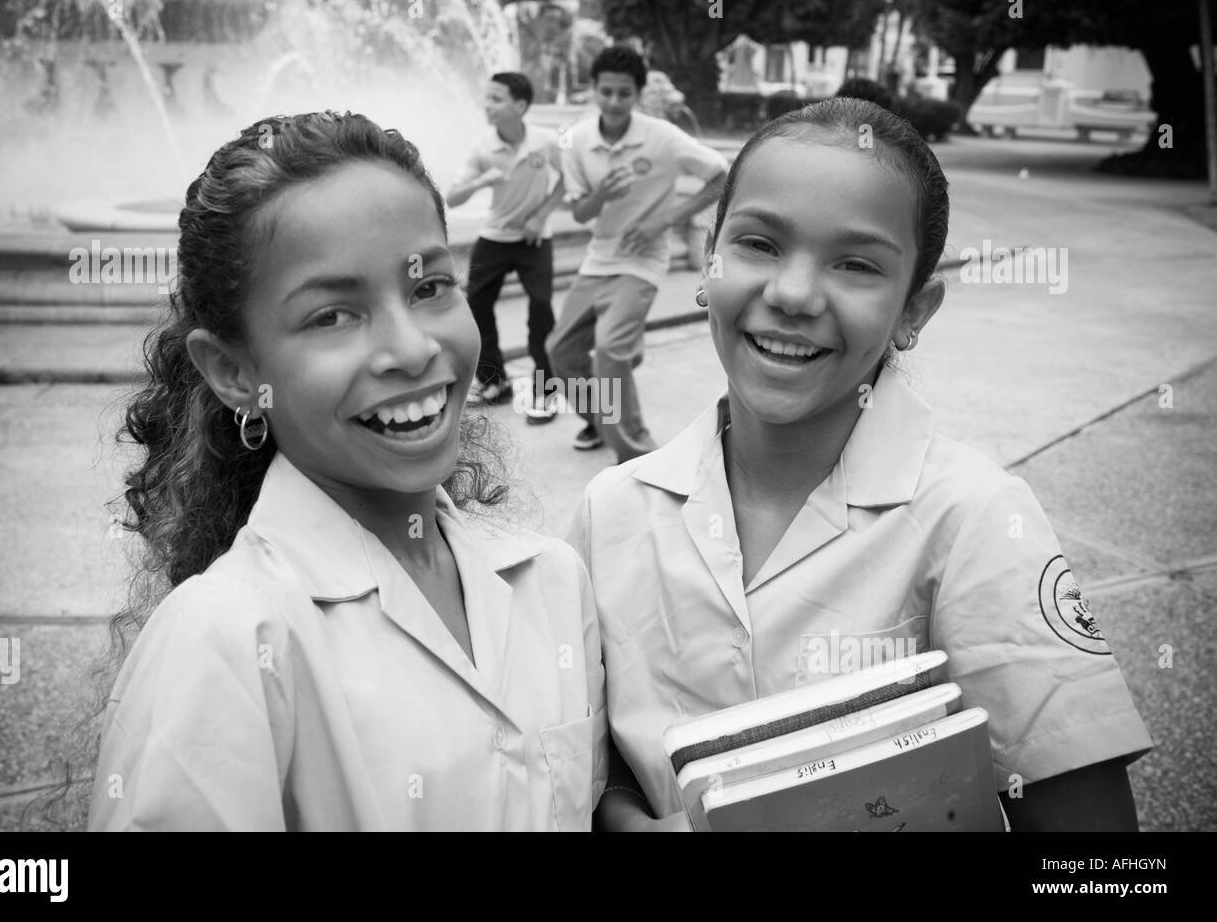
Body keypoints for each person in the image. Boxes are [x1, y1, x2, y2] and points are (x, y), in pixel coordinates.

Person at [569, 98, 1152, 831]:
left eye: (856, 264)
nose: (791, 294)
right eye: (758, 244)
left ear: (915, 311)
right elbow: (597, 759)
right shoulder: (611, 510)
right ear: (708, 258)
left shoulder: (973, 520)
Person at [87, 111, 606, 831]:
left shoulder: (552, 580)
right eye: (332, 315)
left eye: (429, 288)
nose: (412, 347)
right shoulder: (225, 645)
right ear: (234, 372)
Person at [547, 45, 728, 460]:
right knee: (561, 351)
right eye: (606, 91)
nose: (613, 102)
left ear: (638, 94)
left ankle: (635, 453)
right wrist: (601, 194)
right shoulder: (575, 139)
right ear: (592, 89)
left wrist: (664, 220)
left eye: (623, 93)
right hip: (599, 259)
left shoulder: (661, 136)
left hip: (643, 262)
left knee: (610, 350)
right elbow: (579, 212)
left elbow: (720, 174)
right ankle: (600, 419)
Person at [446, 72, 565, 423]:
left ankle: (545, 391)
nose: (488, 105)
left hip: (535, 239)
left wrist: (540, 214)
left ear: (521, 106)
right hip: (495, 237)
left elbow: (567, 181)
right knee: (476, 306)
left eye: (497, 99)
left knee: (541, 308)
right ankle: (495, 382)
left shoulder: (546, 142)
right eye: (488, 98)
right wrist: (483, 180)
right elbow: (453, 198)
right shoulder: (482, 147)